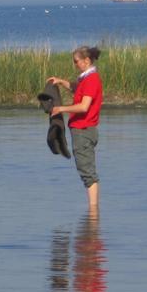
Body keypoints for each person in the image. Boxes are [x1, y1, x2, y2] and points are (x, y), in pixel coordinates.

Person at [46, 46, 104, 209]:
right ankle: (93, 210)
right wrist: (60, 81)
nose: (75, 65)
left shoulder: (92, 80)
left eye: (76, 61)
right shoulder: (86, 78)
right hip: (83, 130)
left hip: (84, 131)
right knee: (86, 170)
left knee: (87, 172)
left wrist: (60, 109)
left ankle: (93, 212)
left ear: (86, 61)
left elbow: (84, 106)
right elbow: (76, 89)